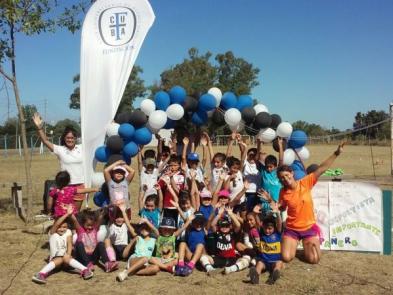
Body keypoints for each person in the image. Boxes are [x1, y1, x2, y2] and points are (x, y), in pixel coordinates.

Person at [278, 143, 345, 265]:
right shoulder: (283, 192)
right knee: (286, 258)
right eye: (282, 178)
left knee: (314, 259)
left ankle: (306, 244)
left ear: (292, 173)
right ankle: (290, 243)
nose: (285, 179)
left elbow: (321, 169)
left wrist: (336, 153)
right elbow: (282, 207)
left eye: (286, 175)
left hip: (308, 228)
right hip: (292, 229)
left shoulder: (305, 182)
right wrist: (276, 206)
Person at [33, 112, 86, 210]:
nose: (70, 140)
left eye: (72, 138)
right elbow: (45, 141)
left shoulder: (82, 147)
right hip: (65, 186)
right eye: (67, 138)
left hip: (80, 185)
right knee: (64, 213)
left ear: (75, 138)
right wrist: (39, 128)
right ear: (64, 139)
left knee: (75, 213)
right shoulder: (60, 149)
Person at [32, 205, 93, 284]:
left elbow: (69, 245)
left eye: (64, 227)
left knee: (65, 257)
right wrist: (67, 214)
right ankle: (41, 274)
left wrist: (68, 254)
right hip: (55, 261)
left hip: (66, 261)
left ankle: (85, 270)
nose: (62, 229)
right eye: (60, 227)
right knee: (60, 258)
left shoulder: (68, 232)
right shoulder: (52, 233)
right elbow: (57, 224)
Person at [200, 206, 250, 275]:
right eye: (222, 226)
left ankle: (230, 269)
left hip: (232, 259)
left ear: (230, 226)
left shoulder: (232, 233)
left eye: (227, 226)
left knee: (247, 258)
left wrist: (231, 214)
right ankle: (210, 269)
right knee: (203, 257)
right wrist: (219, 215)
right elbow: (212, 225)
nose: (224, 228)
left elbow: (238, 225)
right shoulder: (217, 233)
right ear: (219, 227)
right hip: (219, 259)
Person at [248, 202, 283, 285]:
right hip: (264, 261)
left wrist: (278, 213)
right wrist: (255, 214)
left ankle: (274, 275)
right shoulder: (261, 233)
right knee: (259, 264)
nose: (267, 231)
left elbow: (279, 223)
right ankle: (255, 276)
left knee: (279, 263)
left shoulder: (277, 233)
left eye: (270, 229)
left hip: (275, 261)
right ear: (263, 227)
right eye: (265, 228)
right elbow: (257, 223)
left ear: (274, 228)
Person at [175, 212, 207, 276]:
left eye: (201, 222)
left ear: (203, 223)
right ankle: (181, 265)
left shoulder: (205, 229)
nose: (198, 225)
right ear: (192, 222)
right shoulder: (190, 229)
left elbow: (211, 222)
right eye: (196, 222)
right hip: (190, 256)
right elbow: (185, 221)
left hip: (201, 257)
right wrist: (178, 207)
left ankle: (190, 266)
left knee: (200, 245)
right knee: (182, 243)